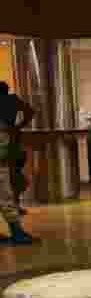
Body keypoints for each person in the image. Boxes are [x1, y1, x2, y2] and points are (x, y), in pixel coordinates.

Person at [0, 81, 34, 214]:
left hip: (6, 139)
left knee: (9, 174)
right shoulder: (13, 99)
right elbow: (30, 112)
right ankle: (15, 205)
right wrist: (18, 127)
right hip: (12, 139)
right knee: (14, 173)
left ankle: (10, 206)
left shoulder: (10, 100)